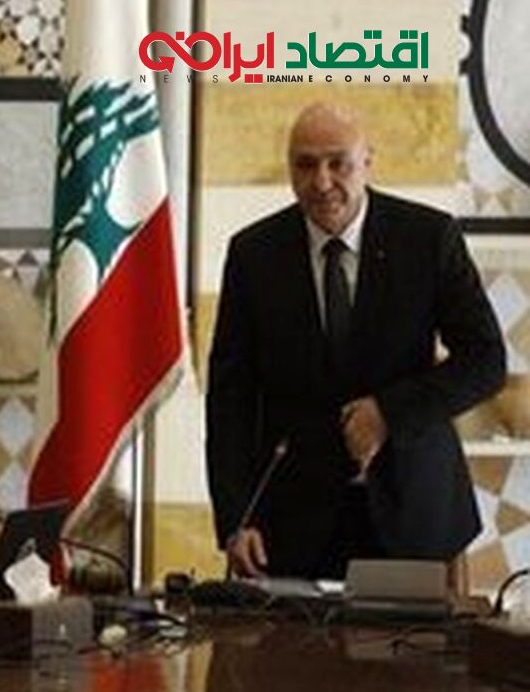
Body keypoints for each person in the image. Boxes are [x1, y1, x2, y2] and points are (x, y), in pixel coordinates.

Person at [206, 102, 506, 580]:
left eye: (338, 163)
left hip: (414, 512)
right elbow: (230, 399)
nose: (322, 182)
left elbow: (485, 360)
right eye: (305, 165)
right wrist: (235, 518)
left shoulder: (428, 238)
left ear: (368, 161)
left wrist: (389, 412)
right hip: (291, 525)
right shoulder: (254, 254)